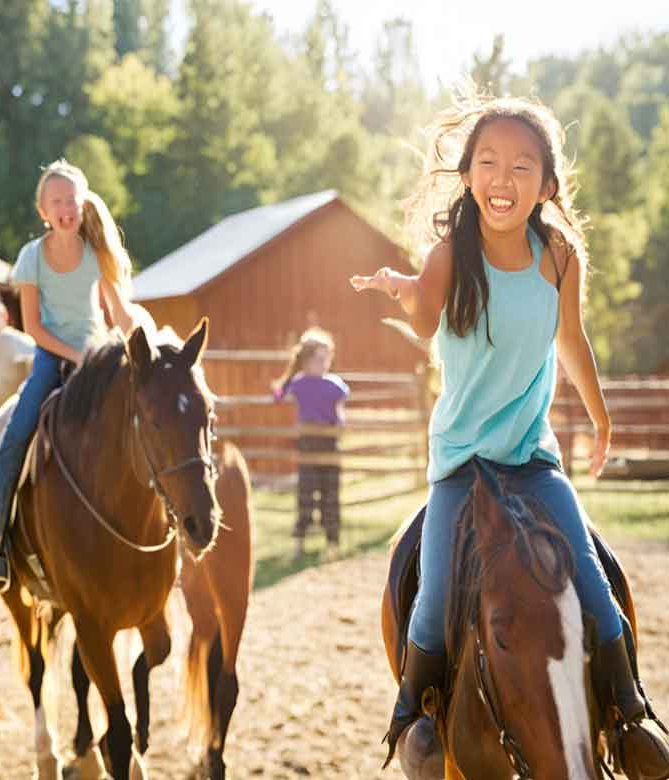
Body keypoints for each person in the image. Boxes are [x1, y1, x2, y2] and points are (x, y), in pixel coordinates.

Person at [350, 91, 669, 776]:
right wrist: (404, 290)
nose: (504, 178)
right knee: (433, 591)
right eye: (488, 162)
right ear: (467, 176)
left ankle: (630, 712)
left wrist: (600, 412)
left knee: (593, 578)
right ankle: (413, 716)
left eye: (523, 166)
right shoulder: (449, 256)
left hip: (530, 459)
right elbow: (424, 323)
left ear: (547, 186)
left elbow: (572, 339)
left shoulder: (558, 255)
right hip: (461, 465)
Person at [0, 159, 148, 597]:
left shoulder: (97, 253)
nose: (65, 208)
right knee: (15, 437)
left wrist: (149, 345)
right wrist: (77, 357)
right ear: (43, 212)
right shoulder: (32, 257)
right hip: (51, 361)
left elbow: (122, 314)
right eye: (56, 201)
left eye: (71, 199)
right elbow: (34, 327)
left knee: (150, 423)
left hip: (101, 358)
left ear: (83, 202)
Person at [272, 328, 349, 560]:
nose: (324, 363)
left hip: (329, 445)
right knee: (305, 494)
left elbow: (340, 411)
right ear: (305, 361)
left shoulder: (334, 384)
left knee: (330, 495)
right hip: (307, 446)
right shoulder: (298, 383)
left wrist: (340, 424)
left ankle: (332, 543)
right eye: (319, 358)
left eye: (327, 358)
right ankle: (299, 543)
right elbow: (278, 395)